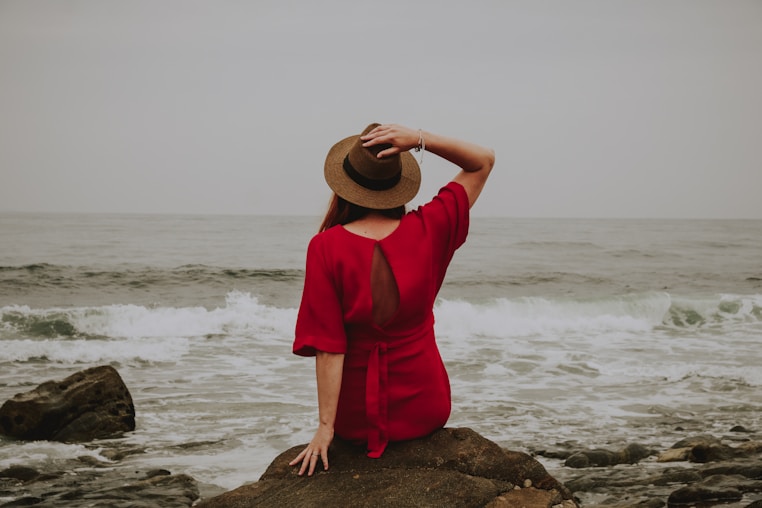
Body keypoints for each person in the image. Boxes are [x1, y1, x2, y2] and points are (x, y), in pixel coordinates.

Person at [289, 123, 495, 476]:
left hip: (357, 421)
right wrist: (419, 139)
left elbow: (329, 347)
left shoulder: (325, 246)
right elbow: (482, 161)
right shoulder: (431, 226)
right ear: (397, 184)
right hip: (425, 406)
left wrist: (326, 428)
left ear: (346, 186)